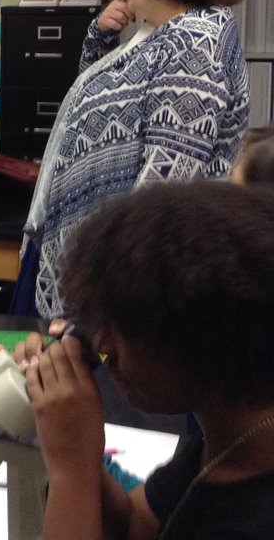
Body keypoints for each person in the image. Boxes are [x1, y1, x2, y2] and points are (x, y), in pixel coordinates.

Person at [11, 0, 249, 320]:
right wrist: (100, 34)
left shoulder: (196, 45)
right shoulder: (160, 32)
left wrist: (109, 282)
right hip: (87, 242)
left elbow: (166, 176)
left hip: (120, 272)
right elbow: (90, 93)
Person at [19, 182, 274, 540]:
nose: (103, 345)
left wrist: (71, 470)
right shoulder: (228, 442)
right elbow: (136, 523)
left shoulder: (256, 520)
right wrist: (69, 438)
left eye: (122, 327)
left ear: (200, 338)